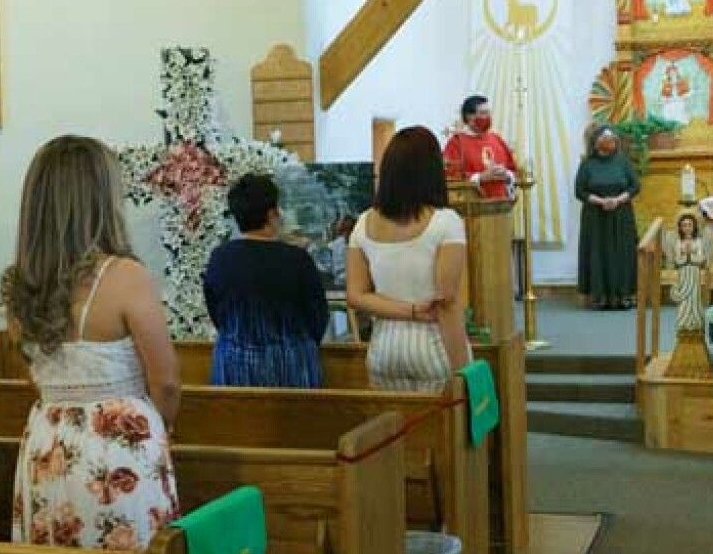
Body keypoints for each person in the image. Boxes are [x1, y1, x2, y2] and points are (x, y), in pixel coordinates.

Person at [1, 135, 180, 550]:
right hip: (116, 446)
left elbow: (35, 373)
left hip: (49, 443)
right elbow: (166, 382)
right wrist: (161, 425)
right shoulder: (125, 275)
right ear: (101, 198)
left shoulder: (21, 286)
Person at [347, 126, 470, 393]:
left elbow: (355, 296)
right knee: (442, 433)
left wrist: (408, 311)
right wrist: (464, 372)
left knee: (392, 433)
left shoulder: (364, 221)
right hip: (432, 347)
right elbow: (446, 303)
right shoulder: (445, 222)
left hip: (383, 350)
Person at [204, 173, 329, 387]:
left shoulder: (220, 257)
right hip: (292, 368)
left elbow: (216, 311)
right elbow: (317, 317)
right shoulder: (296, 259)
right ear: (272, 213)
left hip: (233, 367)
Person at [576, 124, 640, 310]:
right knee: (598, 253)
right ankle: (599, 296)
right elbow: (580, 191)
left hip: (621, 215)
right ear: (595, 142)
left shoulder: (623, 161)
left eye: (611, 138)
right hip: (595, 217)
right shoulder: (587, 164)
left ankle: (624, 295)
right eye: (604, 138)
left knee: (623, 253)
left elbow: (634, 186)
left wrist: (618, 200)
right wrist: (600, 201)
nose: (608, 141)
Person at [443, 95, 518, 201]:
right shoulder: (457, 143)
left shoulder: (496, 139)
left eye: (489, 113)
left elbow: (513, 170)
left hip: (502, 205)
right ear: (469, 116)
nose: (488, 117)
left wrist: (506, 173)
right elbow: (451, 178)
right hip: (473, 208)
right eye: (483, 113)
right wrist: (481, 177)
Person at [667, 211, 708, 331]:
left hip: (694, 272)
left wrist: (690, 256)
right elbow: (677, 261)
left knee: (694, 296)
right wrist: (687, 257)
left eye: (689, 224)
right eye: (684, 225)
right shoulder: (679, 242)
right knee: (685, 298)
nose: (687, 227)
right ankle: (683, 321)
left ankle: (696, 321)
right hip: (683, 273)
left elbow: (701, 259)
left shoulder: (698, 241)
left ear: (694, 226)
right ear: (680, 227)